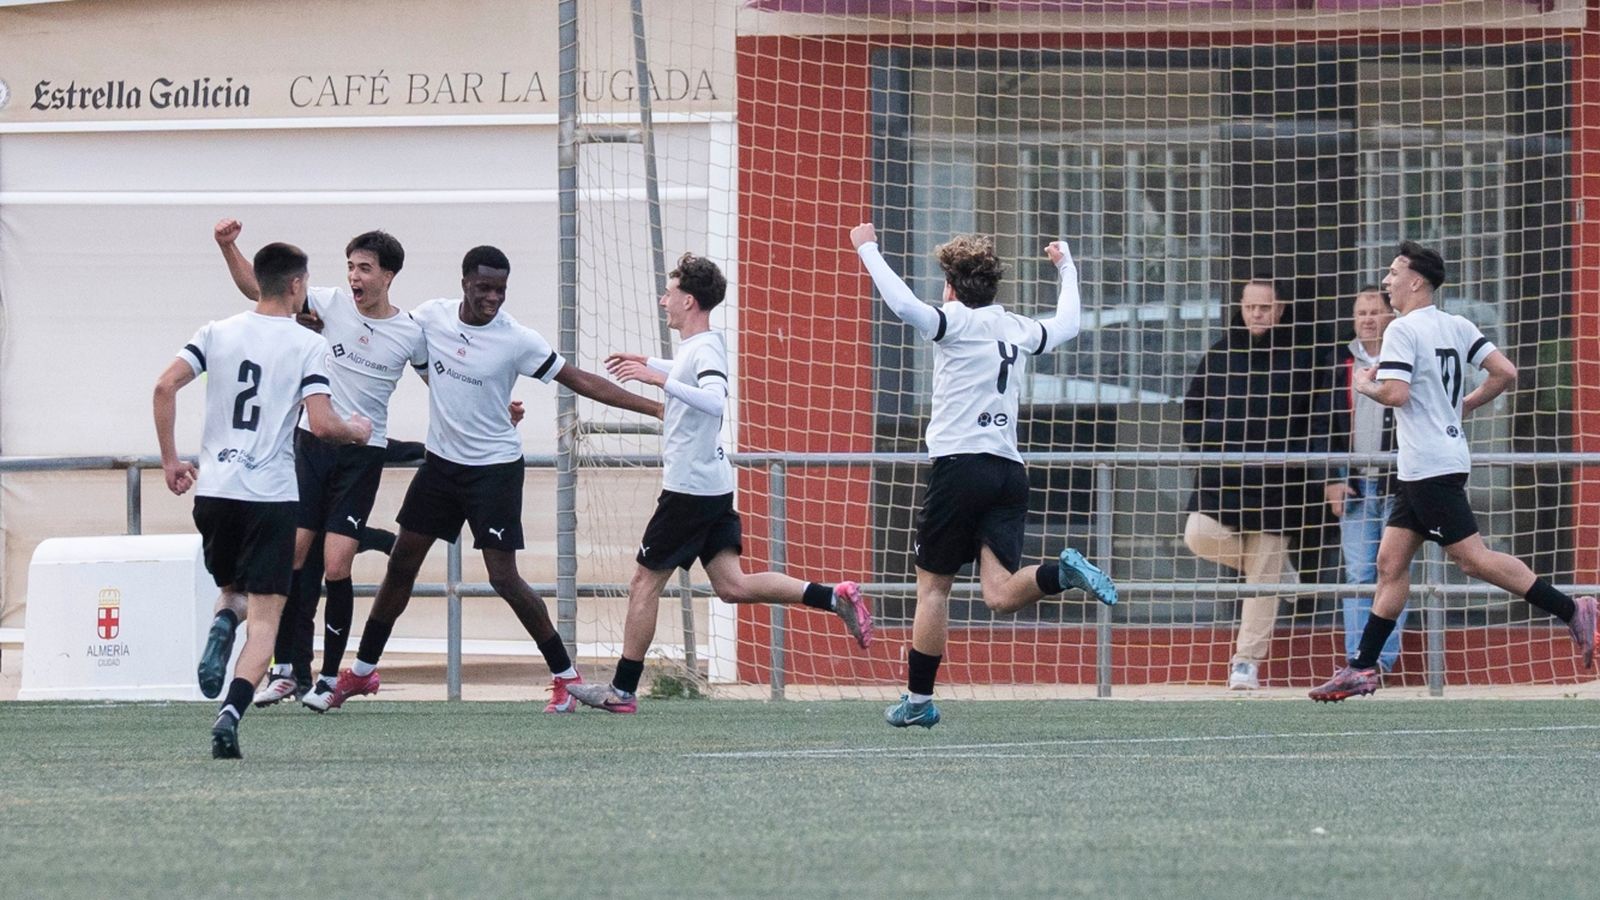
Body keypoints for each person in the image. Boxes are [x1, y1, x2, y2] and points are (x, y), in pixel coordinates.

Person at [328, 245, 663, 711]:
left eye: (500, 290)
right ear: (464, 283)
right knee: (401, 564)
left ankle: (566, 678)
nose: (492, 297)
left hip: (494, 471)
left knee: (503, 577)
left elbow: (580, 379)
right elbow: (418, 361)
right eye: (484, 287)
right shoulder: (431, 319)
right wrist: (316, 325)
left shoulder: (517, 339)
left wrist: (656, 407)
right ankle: (361, 673)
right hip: (442, 466)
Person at [564, 254, 875, 714]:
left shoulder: (705, 350)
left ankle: (622, 691)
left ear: (688, 300)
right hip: (710, 485)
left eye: (669, 293)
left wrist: (656, 378)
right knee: (733, 585)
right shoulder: (699, 345)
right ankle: (833, 596)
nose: (662, 299)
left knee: (642, 584)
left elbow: (712, 400)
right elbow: (688, 370)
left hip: (689, 490)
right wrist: (648, 361)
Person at [850, 223, 1117, 729]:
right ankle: (1062, 574)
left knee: (933, 589)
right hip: (1009, 472)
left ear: (950, 288)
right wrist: (1067, 267)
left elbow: (905, 307)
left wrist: (868, 249)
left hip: (960, 468)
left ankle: (919, 700)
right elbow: (1068, 324)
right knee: (998, 593)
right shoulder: (1017, 327)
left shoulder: (953, 321)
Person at [1310, 241, 1598, 701]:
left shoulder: (1402, 331)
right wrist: (1460, 404)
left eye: (1393, 272)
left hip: (1428, 466)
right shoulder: (1457, 324)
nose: (1387, 281)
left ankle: (1573, 608)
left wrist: (1365, 385)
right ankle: (1361, 668)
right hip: (1430, 464)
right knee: (1390, 563)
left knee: (1472, 559)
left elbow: (1397, 394)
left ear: (1416, 281)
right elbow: (1505, 371)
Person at [153, 241, 372, 758]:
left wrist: (170, 461)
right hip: (270, 495)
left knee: (233, 591)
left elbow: (164, 387)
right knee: (268, 619)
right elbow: (321, 424)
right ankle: (230, 712)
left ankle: (225, 618)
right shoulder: (306, 344)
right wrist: (357, 430)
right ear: (296, 285)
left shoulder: (216, 332)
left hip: (215, 492)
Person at [215, 219, 431, 712]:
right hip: (312, 445)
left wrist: (500, 410)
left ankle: (331, 678)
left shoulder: (409, 333)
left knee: (336, 564)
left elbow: (440, 383)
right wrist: (229, 248)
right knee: (292, 556)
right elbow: (261, 288)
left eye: (365, 269)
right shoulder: (330, 304)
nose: (355, 277)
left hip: (363, 454)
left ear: (389, 276)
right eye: (351, 267)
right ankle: (289, 670)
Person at [1181, 276, 1342, 690]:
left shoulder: (1302, 358)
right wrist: (1208, 451)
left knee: (1263, 571)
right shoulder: (1219, 356)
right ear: (1241, 307)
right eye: (1251, 307)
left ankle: (1245, 663)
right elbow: (1193, 413)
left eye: (1265, 308)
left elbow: (1315, 421)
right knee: (1198, 535)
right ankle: (1279, 577)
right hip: (1222, 485)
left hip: (1278, 490)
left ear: (1280, 309)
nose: (1257, 314)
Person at [1332, 286, 1406, 674]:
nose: (1367, 319)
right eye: (1361, 312)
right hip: (1355, 481)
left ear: (1391, 316)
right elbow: (1322, 423)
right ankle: (1356, 658)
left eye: (1375, 311)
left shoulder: (1404, 355)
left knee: (1392, 569)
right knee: (1358, 571)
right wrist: (1330, 476)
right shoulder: (1340, 362)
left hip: (1400, 480)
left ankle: (1381, 661)